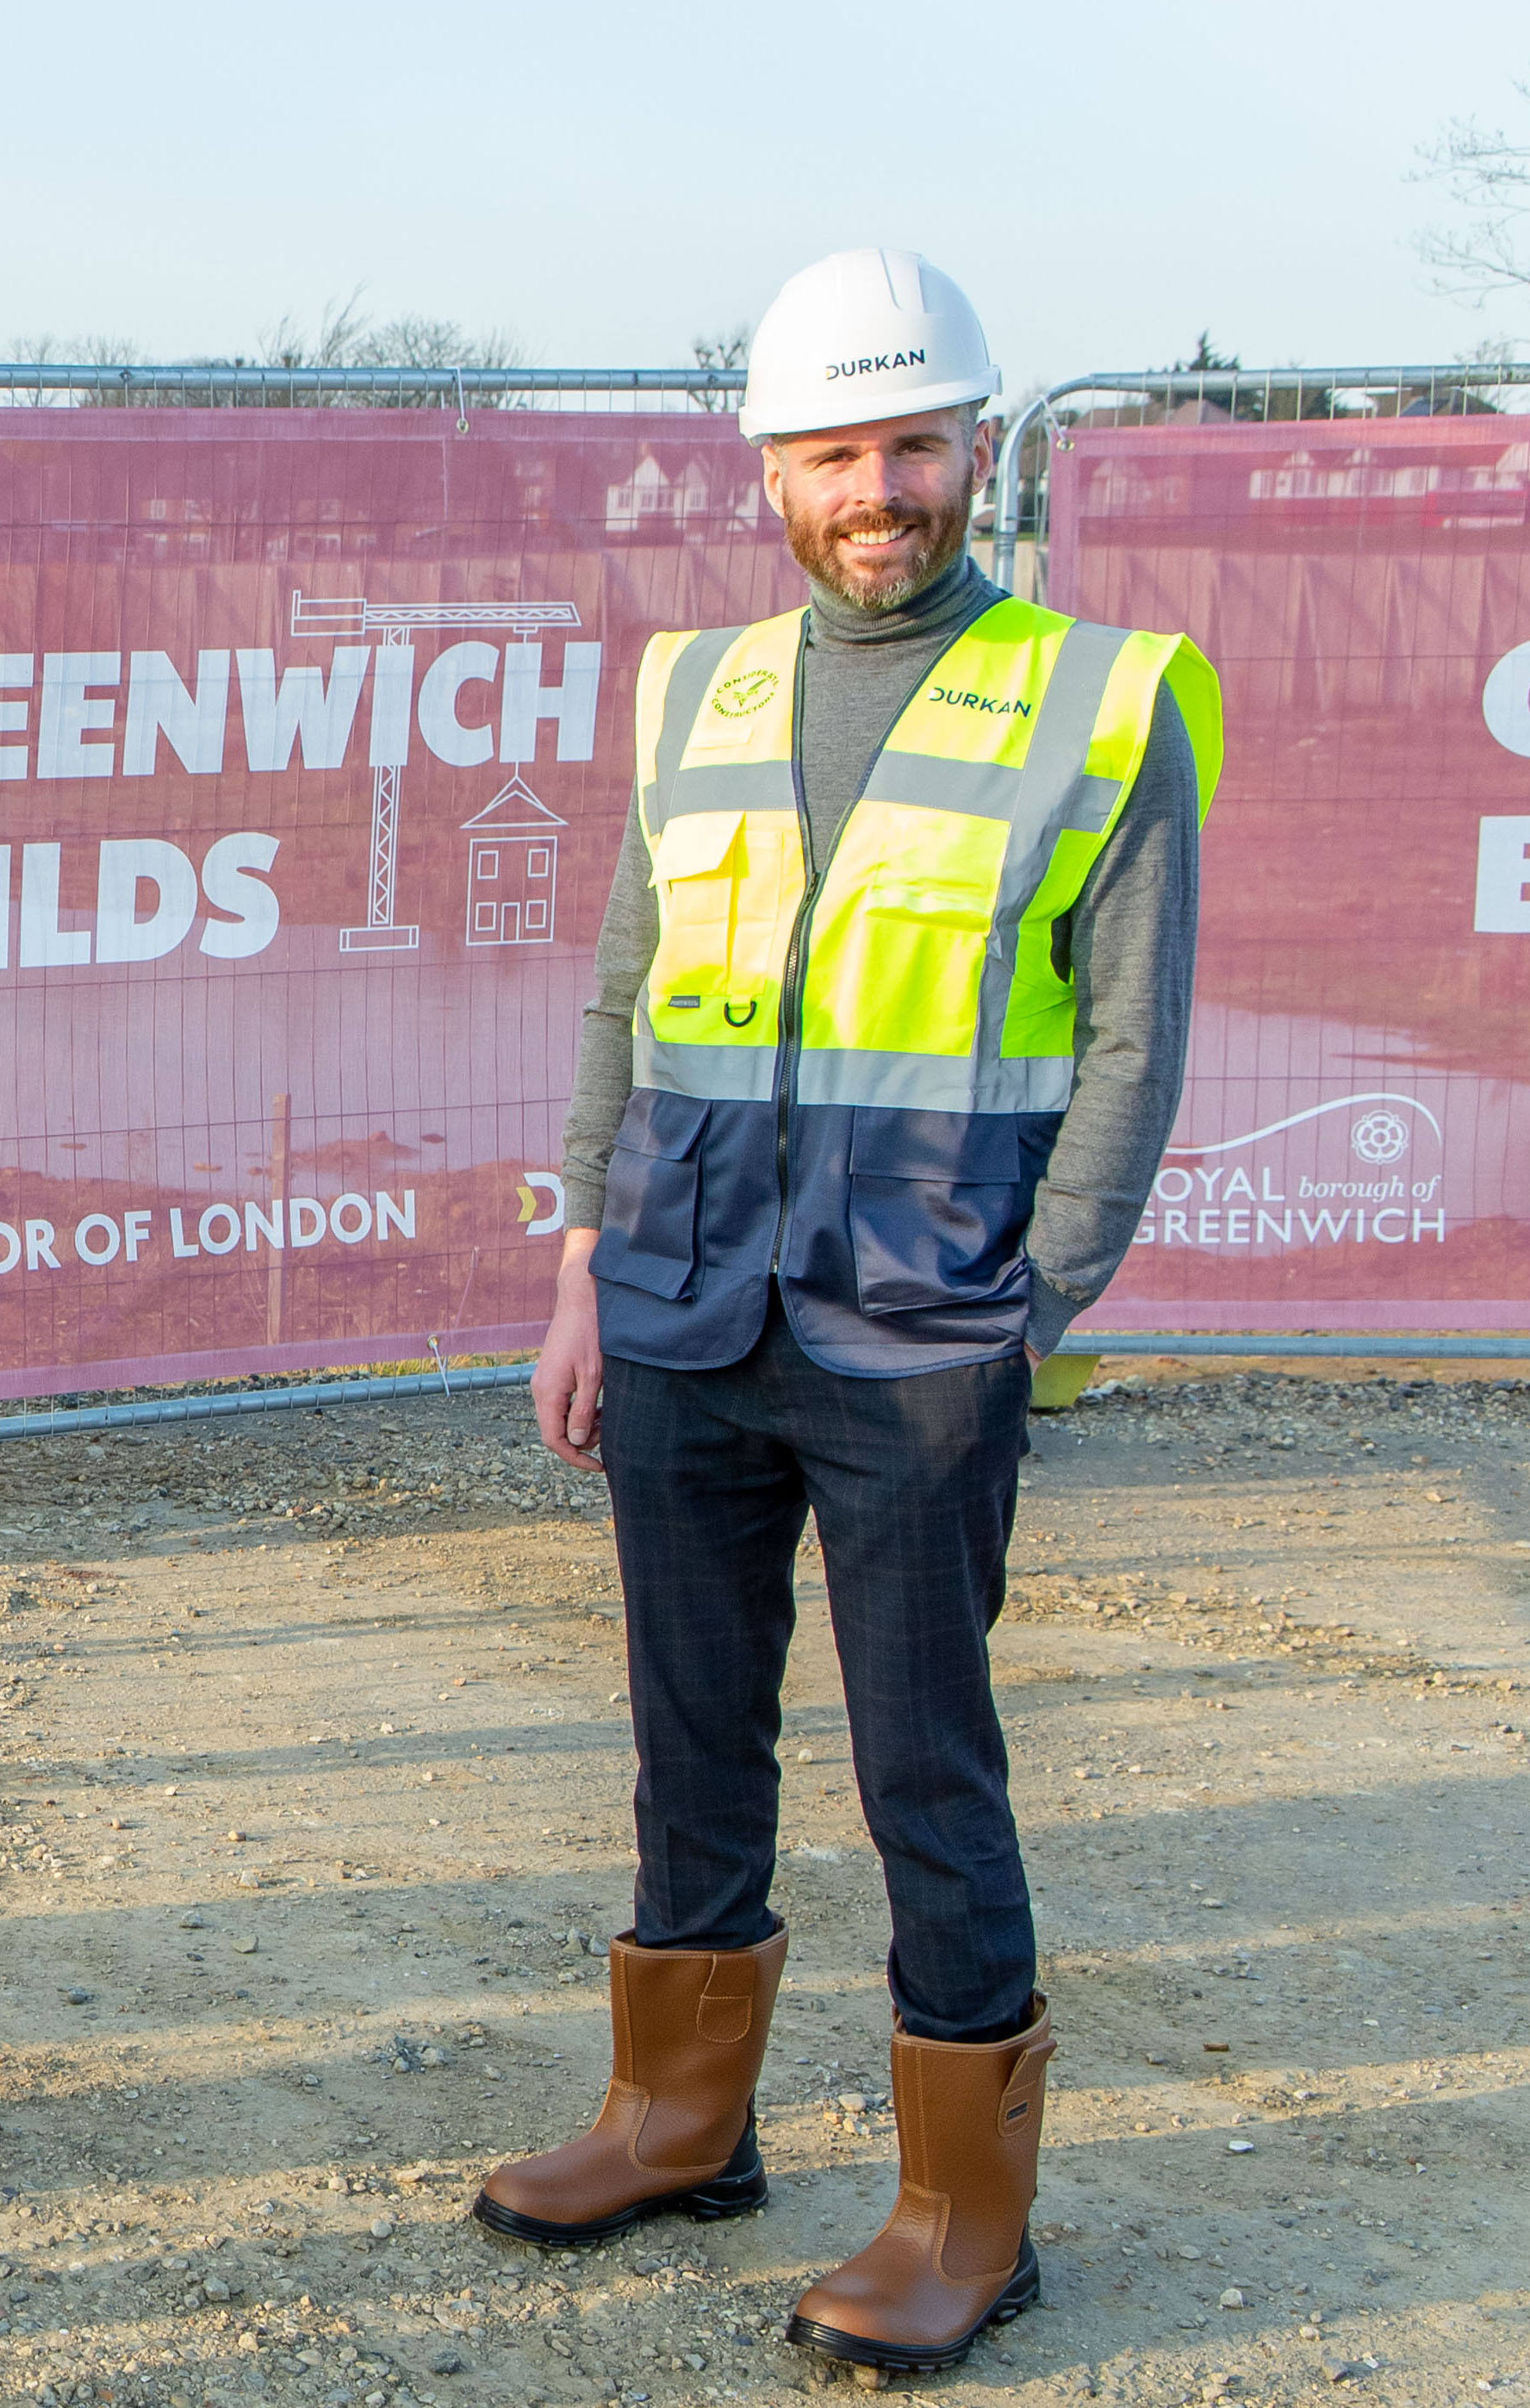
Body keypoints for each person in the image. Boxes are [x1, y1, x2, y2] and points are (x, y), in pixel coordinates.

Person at [486, 252, 1219, 2376]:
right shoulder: (692, 691)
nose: (875, 488)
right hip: (681, 1300)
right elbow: (627, 993)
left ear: (977, 447)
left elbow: (1130, 1048)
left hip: (921, 1335)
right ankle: (676, 2121)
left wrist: (1032, 1302)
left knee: (927, 1766)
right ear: (770, 472)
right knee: (685, 1739)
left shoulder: (1105, 695)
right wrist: (573, 1271)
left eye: (911, 444)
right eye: (832, 453)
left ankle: (958, 2213)